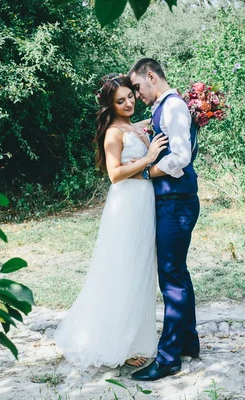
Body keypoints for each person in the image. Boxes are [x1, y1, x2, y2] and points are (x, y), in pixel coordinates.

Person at [53, 73, 169, 370]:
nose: (129, 102)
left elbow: (157, 121)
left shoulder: (133, 126)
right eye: (121, 101)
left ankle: (135, 335)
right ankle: (120, 344)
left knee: (141, 267)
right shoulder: (114, 133)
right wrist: (149, 158)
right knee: (123, 268)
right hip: (126, 204)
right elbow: (114, 174)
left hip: (143, 202)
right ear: (110, 105)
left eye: (131, 96)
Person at [128, 59, 201, 381]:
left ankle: (169, 357)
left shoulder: (173, 107)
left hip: (176, 202)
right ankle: (188, 341)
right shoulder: (165, 108)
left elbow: (181, 156)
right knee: (177, 272)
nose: (137, 94)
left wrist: (147, 171)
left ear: (151, 76)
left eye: (138, 87)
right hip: (173, 201)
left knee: (170, 276)